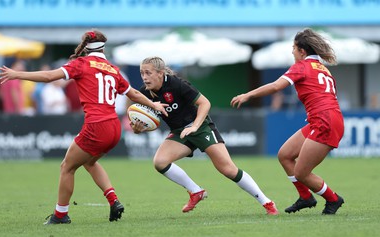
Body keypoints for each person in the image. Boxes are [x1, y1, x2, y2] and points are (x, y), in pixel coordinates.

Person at [0, 30, 168, 224]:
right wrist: (154, 105)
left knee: (67, 167)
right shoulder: (112, 69)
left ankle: (61, 215)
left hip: (96, 125)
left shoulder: (81, 64)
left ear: (85, 47)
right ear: (103, 47)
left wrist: (16, 74)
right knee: (89, 162)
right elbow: (134, 93)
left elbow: (49, 76)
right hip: (114, 127)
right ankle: (113, 200)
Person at [131, 56, 278, 215]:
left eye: (148, 73)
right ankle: (196, 192)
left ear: (160, 73)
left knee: (228, 170)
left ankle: (267, 202)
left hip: (201, 127)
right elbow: (151, 121)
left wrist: (195, 126)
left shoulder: (176, 84)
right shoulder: (145, 94)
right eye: (141, 73)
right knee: (160, 162)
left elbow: (205, 103)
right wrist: (139, 129)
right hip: (180, 132)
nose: (144, 77)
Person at [231, 28, 345, 215]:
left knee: (301, 173)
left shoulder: (302, 66)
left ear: (302, 51)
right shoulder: (322, 68)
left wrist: (247, 95)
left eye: (294, 48)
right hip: (325, 119)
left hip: (325, 120)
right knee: (285, 155)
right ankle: (306, 197)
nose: (292, 52)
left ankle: (333, 199)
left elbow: (276, 86)